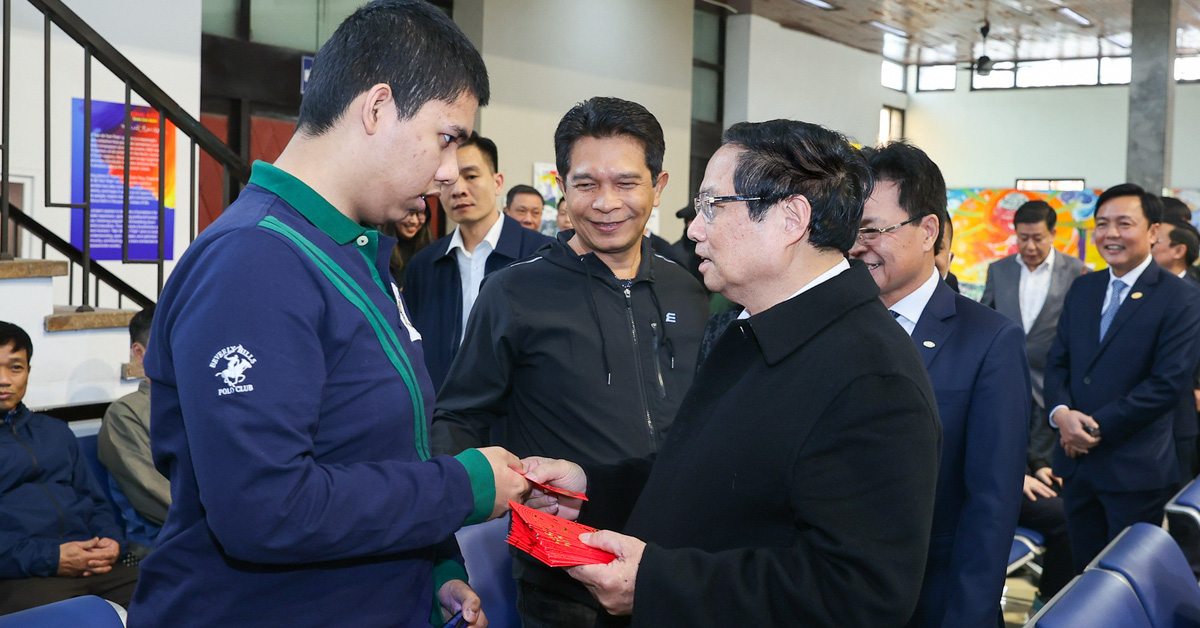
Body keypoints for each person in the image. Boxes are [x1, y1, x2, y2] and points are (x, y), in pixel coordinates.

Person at [127, 3, 529, 626]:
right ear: (376, 108)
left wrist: (434, 565)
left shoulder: (355, 252)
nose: (449, 173)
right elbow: (267, 509)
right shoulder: (254, 262)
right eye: (446, 137)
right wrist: (462, 488)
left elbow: (377, 446)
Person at [524, 119, 942, 627]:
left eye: (712, 207)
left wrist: (659, 582)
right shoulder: (746, 329)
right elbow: (702, 478)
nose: (694, 228)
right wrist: (588, 488)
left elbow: (857, 594)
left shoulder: (870, 377)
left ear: (790, 219)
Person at [430, 96, 709, 628]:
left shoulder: (688, 290)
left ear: (660, 183)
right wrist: (449, 545)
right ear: (562, 184)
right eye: (585, 184)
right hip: (564, 582)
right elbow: (457, 419)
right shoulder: (514, 293)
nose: (606, 203)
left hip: (674, 571)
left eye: (627, 183)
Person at [849, 141, 1029, 628]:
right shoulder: (832, 329)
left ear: (928, 230)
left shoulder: (989, 341)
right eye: (848, 230)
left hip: (934, 600)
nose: (854, 246)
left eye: (871, 230)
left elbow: (990, 508)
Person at [1045, 183, 1200, 572]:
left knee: (1123, 582)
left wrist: (1094, 428)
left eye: (1124, 223)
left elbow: (1168, 382)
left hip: (1134, 468)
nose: (1110, 234)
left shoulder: (1178, 297)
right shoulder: (1083, 288)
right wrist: (1062, 414)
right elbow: (1058, 362)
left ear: (1152, 231)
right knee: (1083, 575)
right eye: (1102, 224)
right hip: (1076, 464)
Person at [979, 199, 1085, 600]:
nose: (1029, 246)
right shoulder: (999, 270)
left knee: (1054, 480)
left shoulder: (1076, 273)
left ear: (1053, 235)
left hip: (1055, 394)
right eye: (1022, 238)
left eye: (1037, 238)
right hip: (1007, 388)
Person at [0, 322, 139, 615]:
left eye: (15, 368)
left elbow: (96, 500)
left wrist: (112, 543)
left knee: (173, 592)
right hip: (22, 575)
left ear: (27, 372)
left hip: (93, 565)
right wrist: (51, 558)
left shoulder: (56, 432)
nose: (5, 380)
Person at [404, 133, 552, 390]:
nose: (459, 189)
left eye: (471, 176)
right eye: (447, 180)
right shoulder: (424, 265)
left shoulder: (540, 255)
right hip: (442, 416)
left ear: (497, 183)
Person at [98, 306, 168, 549]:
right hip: (165, 546)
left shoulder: (201, 402)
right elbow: (157, 498)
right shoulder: (125, 415)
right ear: (140, 353)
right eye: (169, 343)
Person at [378, 202, 432, 289]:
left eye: (421, 214)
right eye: (408, 213)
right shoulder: (379, 253)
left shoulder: (434, 251)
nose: (414, 221)